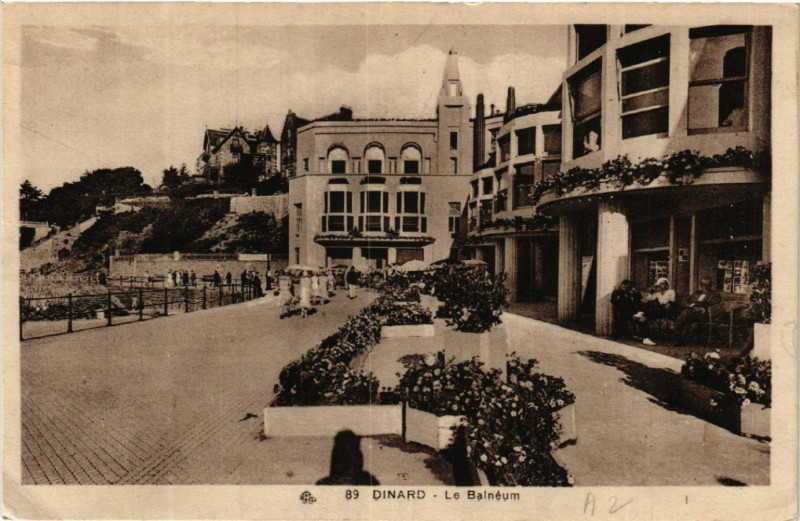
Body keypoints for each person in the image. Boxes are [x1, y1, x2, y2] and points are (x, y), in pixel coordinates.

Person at [675, 276, 723, 346]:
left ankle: (680, 339)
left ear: (711, 286)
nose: (705, 287)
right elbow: (685, 300)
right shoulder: (696, 293)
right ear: (701, 285)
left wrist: (702, 308)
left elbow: (715, 305)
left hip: (704, 314)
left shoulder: (714, 294)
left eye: (707, 286)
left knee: (684, 315)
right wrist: (691, 305)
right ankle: (679, 339)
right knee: (684, 315)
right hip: (692, 311)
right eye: (703, 285)